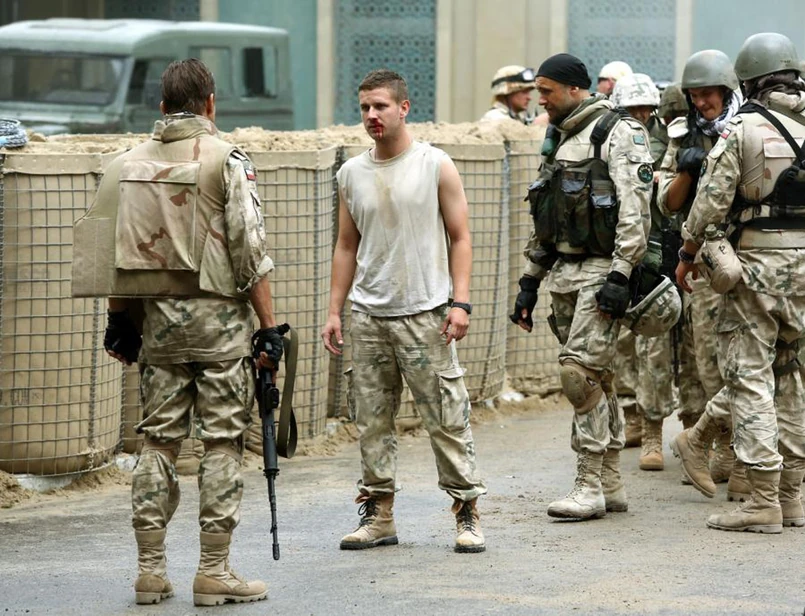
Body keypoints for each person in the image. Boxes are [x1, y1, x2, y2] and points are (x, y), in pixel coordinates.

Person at [99, 59, 280, 605]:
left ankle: (150, 571)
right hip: (220, 331)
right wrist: (268, 327)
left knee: (157, 443)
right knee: (221, 443)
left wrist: (119, 321)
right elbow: (248, 249)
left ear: (162, 107)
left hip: (158, 328)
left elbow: (115, 255)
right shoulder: (226, 159)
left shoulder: (126, 163)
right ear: (210, 104)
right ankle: (214, 571)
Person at [322, 69, 487, 553]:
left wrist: (460, 302)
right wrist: (335, 311)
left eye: (381, 106)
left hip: (425, 313)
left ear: (403, 108)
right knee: (371, 420)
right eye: (365, 108)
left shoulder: (434, 164)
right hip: (368, 316)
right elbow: (346, 245)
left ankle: (467, 512)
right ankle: (379, 515)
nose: (372, 116)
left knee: (446, 418)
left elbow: (460, 237)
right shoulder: (351, 173)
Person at [511, 53, 653, 520]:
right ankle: (610, 481)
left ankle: (588, 484)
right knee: (600, 379)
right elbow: (546, 215)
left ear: (575, 88)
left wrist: (621, 274)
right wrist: (530, 281)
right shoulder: (558, 137)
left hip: (602, 271)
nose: (541, 100)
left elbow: (635, 211)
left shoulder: (618, 132)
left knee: (579, 375)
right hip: (564, 275)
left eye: (547, 91)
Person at [674, 32, 805, 533]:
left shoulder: (743, 128)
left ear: (747, 82)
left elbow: (709, 203)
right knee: (793, 378)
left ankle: (762, 501)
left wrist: (688, 254)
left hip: (756, 268)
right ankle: (792, 497)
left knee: (750, 379)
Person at [657, 50, 745, 494]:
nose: (700, 103)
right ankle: (724, 445)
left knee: (756, 359)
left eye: (707, 94)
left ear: (726, 91)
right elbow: (667, 204)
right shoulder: (684, 134)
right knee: (710, 359)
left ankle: (746, 453)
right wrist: (687, 172)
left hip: (751, 253)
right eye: (693, 96)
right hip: (706, 258)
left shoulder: (748, 125)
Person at [611, 73, 677, 471]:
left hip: (654, 253)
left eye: (645, 110)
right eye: (632, 109)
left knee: (653, 348)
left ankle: (653, 429)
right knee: (621, 344)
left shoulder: (667, 142)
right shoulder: (608, 139)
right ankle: (631, 415)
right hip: (619, 253)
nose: (640, 116)